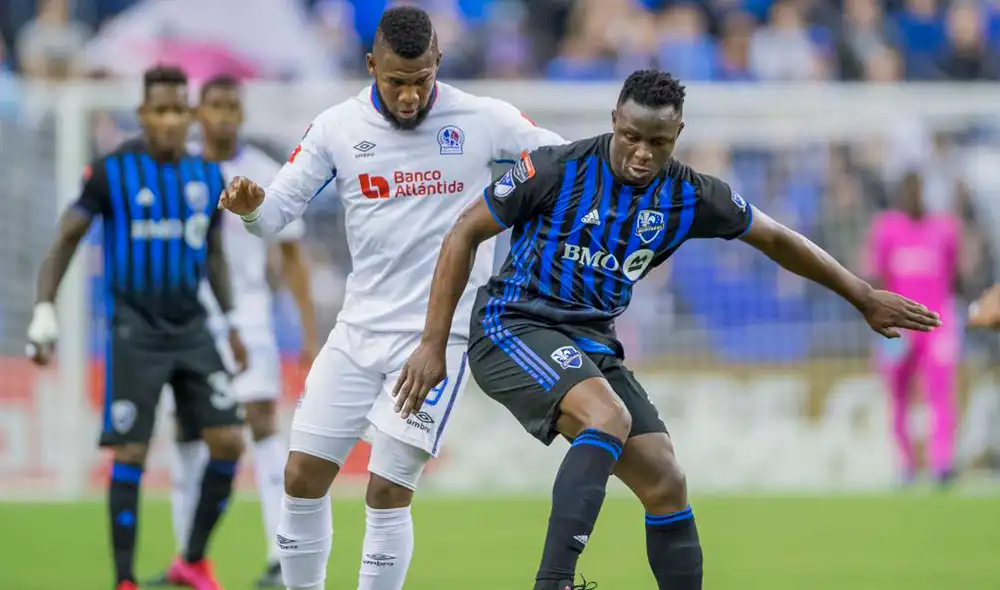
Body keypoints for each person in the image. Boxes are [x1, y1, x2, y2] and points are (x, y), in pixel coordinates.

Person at [393, 69, 942, 590]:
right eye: (631, 136)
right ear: (614, 120)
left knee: (665, 482)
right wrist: (432, 345)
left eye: (658, 142)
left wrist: (863, 296)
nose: (642, 153)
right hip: (513, 326)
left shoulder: (690, 195)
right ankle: (553, 582)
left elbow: (777, 239)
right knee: (608, 416)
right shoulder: (556, 168)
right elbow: (463, 233)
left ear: (678, 132)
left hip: (591, 343)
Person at [215, 6, 565, 590]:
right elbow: (275, 214)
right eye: (395, 82)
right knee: (300, 477)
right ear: (371, 64)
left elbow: (564, 162)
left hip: (437, 339)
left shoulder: (484, 120)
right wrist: (251, 206)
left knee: (386, 489)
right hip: (356, 335)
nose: (408, 97)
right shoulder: (336, 127)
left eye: (421, 81)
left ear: (438, 65)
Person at [26, 66, 246, 590]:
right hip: (134, 331)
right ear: (144, 114)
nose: (170, 120)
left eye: (178, 110)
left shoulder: (205, 177)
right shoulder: (110, 172)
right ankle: (124, 580)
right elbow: (66, 238)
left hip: (193, 328)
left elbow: (213, 254)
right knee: (130, 452)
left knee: (228, 441)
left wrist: (232, 320)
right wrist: (44, 308)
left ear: (189, 116)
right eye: (160, 110)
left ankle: (191, 560)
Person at [146, 75, 318, 589]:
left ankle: (275, 557)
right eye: (213, 105)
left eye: (231, 106)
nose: (222, 114)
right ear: (199, 112)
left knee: (261, 421)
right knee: (186, 431)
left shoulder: (266, 173)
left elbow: (292, 258)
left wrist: (309, 334)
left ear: (240, 114)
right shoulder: (177, 172)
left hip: (249, 314)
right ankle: (188, 559)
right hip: (186, 318)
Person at [864, 171, 962, 485]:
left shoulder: (945, 229)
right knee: (898, 395)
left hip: (936, 325)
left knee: (940, 394)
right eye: (908, 190)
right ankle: (905, 466)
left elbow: (954, 276)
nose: (914, 196)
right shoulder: (886, 230)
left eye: (918, 190)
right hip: (898, 326)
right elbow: (876, 279)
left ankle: (942, 464)